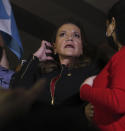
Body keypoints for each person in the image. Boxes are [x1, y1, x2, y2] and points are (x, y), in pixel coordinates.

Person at [9, 18, 99, 130]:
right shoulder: (41, 75)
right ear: (54, 47)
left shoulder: (91, 73)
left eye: (76, 35)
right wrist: (34, 59)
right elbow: (17, 93)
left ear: (82, 48)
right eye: (63, 34)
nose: (70, 38)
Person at [80, 1, 125, 131]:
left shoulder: (122, 56)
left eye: (107, 26)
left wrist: (85, 90)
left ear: (113, 24)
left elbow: (118, 102)